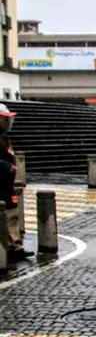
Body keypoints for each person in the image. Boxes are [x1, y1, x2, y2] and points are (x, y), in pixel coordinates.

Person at [0, 104, 31, 261]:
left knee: (12, 215)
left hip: (7, 185)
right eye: (5, 119)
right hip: (1, 184)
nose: (8, 122)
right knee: (6, 216)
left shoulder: (4, 137)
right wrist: (6, 166)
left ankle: (15, 246)